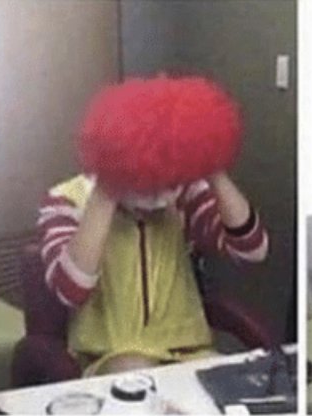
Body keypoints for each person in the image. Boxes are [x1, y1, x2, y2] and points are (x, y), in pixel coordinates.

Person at [37, 77, 269, 377]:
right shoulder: (66, 200)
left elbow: (253, 250)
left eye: (170, 182)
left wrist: (210, 165)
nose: (162, 194)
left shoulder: (184, 193)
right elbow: (71, 290)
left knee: (234, 387)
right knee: (135, 370)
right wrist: (108, 189)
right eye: (149, 183)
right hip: (108, 356)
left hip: (188, 353)